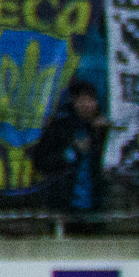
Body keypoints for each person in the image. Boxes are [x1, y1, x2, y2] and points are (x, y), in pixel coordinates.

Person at [31, 79, 110, 216]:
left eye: (90, 100)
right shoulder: (59, 128)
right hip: (64, 205)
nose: (87, 105)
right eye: (82, 100)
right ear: (73, 102)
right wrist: (72, 152)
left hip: (94, 207)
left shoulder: (100, 130)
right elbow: (40, 161)